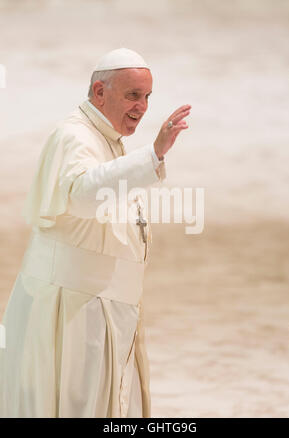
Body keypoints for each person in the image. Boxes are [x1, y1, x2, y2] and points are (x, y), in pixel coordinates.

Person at [0, 48, 191, 418]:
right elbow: (85, 195)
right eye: (133, 95)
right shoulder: (74, 135)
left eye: (148, 96)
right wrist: (152, 156)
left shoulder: (104, 136)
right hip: (73, 314)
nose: (143, 106)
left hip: (105, 309)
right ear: (100, 91)